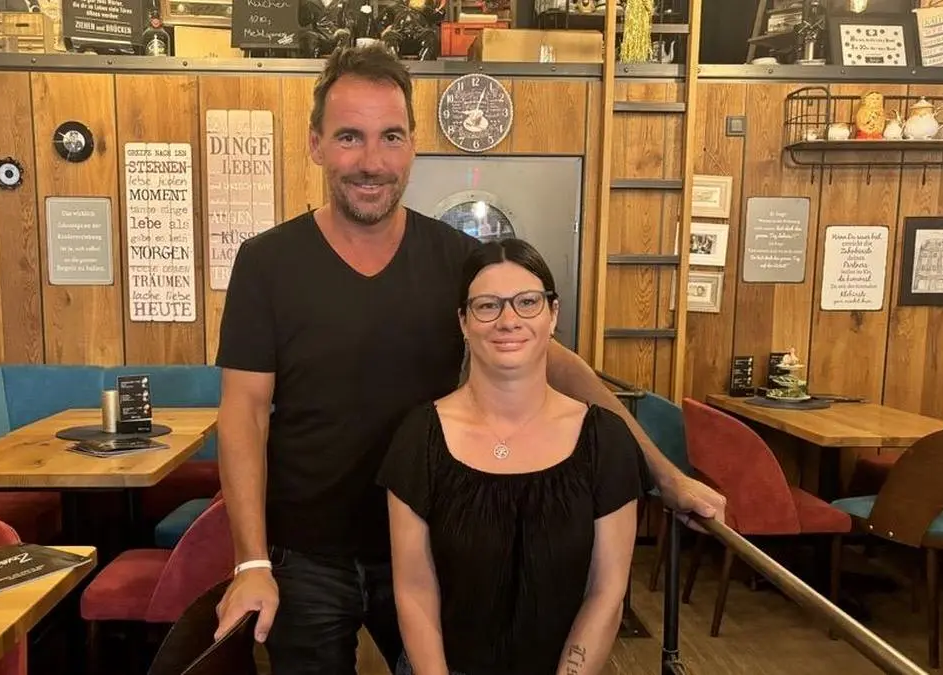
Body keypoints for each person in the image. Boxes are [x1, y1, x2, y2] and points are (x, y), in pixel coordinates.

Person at [212, 43, 725, 674]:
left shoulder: (456, 260)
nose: (372, 161)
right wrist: (251, 561)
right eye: (349, 137)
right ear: (316, 144)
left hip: (434, 546)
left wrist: (666, 476)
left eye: (390, 137)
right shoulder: (267, 263)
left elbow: (559, 366)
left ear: (412, 145)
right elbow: (244, 412)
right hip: (305, 555)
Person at [379, 238, 645, 675]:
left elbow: (606, 593)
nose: (508, 320)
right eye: (487, 306)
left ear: (552, 314)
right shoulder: (419, 438)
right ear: (464, 322)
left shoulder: (605, 441)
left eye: (527, 302)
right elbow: (414, 590)